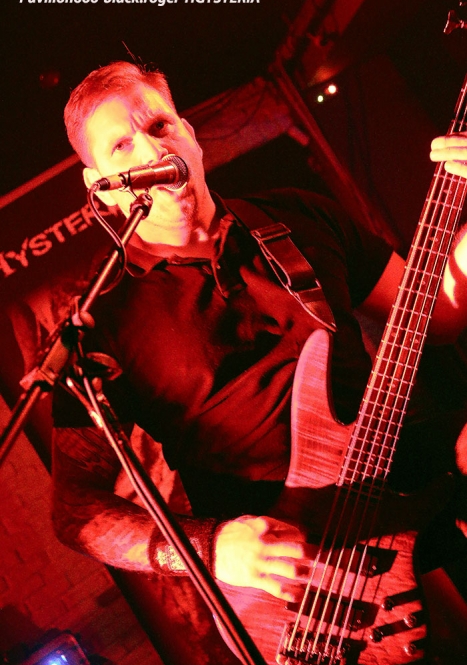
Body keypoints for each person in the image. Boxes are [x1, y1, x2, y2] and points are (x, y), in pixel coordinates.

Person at [51, 60, 467, 608]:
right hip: (306, 594)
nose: (151, 151)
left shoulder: (297, 216)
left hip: (421, 496)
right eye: (121, 146)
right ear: (99, 187)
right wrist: (210, 549)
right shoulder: (101, 323)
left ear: (190, 135)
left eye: (159, 126)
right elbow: (75, 509)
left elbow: (436, 317)